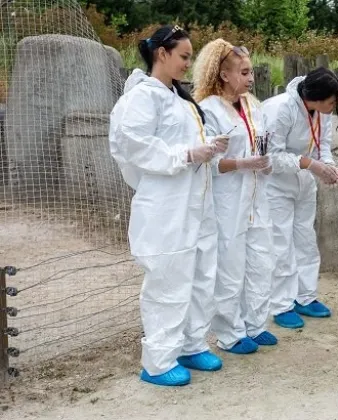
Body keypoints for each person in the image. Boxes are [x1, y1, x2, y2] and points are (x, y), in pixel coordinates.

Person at [109, 25, 227, 387]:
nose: (188, 65)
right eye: (184, 56)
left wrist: (207, 145)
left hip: (195, 202)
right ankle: (158, 361)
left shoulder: (178, 98)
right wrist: (187, 154)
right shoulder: (143, 97)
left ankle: (191, 343)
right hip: (166, 205)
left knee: (200, 275)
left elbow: (182, 141)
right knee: (168, 281)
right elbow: (134, 145)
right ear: (161, 54)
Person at [192, 39, 279, 355]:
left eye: (251, 71)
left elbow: (264, 144)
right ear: (224, 74)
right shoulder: (209, 109)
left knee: (260, 261)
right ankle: (230, 333)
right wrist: (242, 163)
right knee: (230, 267)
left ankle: (255, 325)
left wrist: (264, 163)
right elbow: (210, 162)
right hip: (229, 200)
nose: (251, 78)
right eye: (244, 72)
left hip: (257, 197)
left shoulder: (254, 106)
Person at [260, 67, 338, 329]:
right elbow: (270, 157)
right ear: (315, 97)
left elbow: (324, 145)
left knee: (306, 239)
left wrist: (328, 168)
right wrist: (310, 164)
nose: (334, 105)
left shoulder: (322, 112)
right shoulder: (280, 109)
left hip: (304, 183)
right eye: (331, 100)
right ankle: (281, 304)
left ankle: (305, 297)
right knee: (280, 243)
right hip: (276, 185)